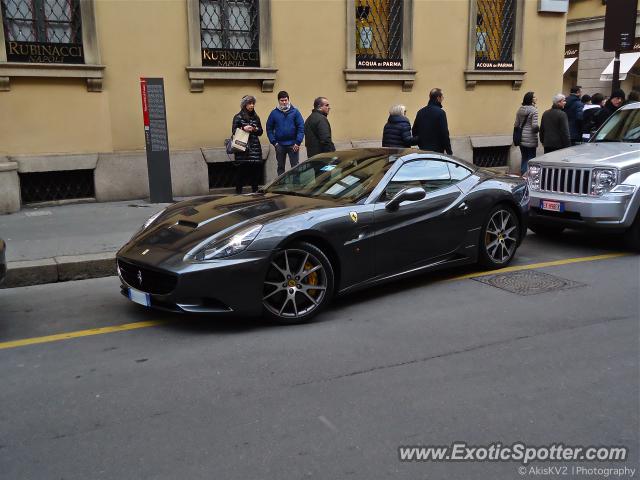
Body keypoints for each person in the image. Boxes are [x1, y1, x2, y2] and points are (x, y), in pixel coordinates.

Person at [266, 90, 305, 176]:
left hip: (293, 145)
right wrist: (274, 143)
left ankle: (295, 187)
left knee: (295, 167)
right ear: (278, 101)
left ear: (288, 100)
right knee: (280, 167)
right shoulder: (274, 113)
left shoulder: (295, 112)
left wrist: (298, 142)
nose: (284, 102)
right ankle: (281, 187)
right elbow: (269, 129)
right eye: (282, 100)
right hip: (279, 145)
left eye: (285, 100)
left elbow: (301, 127)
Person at [231, 95, 264, 194]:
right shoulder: (238, 117)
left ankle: (255, 194)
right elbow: (233, 132)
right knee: (240, 175)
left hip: (255, 150)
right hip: (242, 150)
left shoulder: (256, 117)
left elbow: (261, 131)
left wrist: (254, 129)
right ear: (244, 105)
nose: (252, 105)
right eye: (249, 103)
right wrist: (243, 129)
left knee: (255, 176)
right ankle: (238, 193)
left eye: (253, 103)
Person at [412, 88, 452, 154]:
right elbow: (444, 133)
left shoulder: (420, 112)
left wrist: (421, 143)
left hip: (423, 150)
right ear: (438, 98)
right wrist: (449, 151)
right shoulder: (441, 113)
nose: (443, 99)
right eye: (442, 97)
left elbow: (414, 131)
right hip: (437, 151)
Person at [513, 91, 539, 175]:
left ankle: (522, 174)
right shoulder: (534, 110)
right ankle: (528, 177)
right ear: (530, 99)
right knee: (531, 158)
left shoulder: (520, 109)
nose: (536, 98)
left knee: (524, 157)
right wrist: (538, 129)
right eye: (534, 97)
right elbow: (534, 126)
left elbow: (516, 124)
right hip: (530, 138)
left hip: (521, 137)